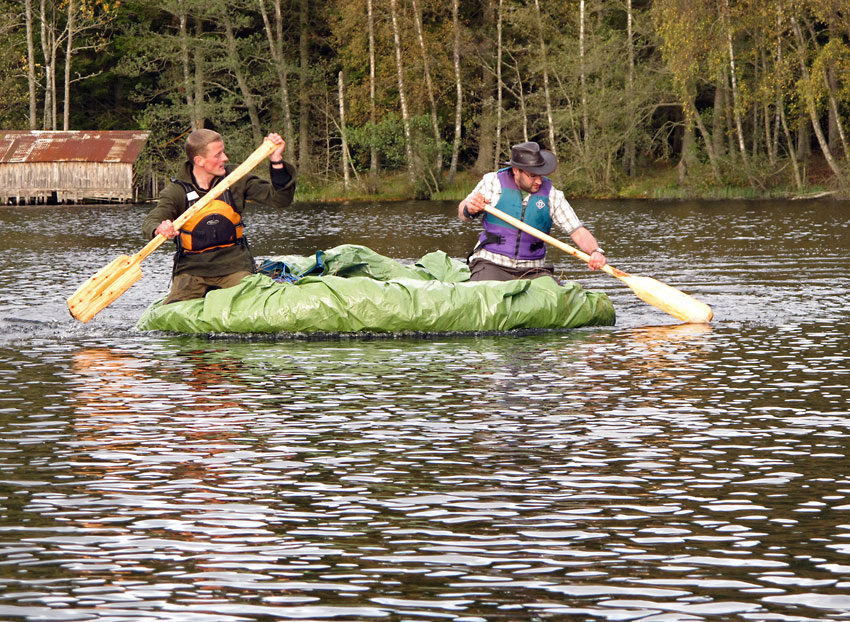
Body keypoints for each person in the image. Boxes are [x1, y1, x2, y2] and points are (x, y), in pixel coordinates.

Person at [142, 129, 297, 304]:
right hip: (192, 269)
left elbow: (280, 200)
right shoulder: (176, 191)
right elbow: (151, 221)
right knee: (173, 308)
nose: (225, 158)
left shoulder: (235, 178)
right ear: (199, 161)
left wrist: (276, 161)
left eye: (223, 151)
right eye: (218, 155)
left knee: (249, 302)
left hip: (234, 264)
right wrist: (159, 229)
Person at [458, 141, 607, 281]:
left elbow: (578, 231)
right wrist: (469, 208)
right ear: (516, 171)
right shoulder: (492, 182)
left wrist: (595, 251)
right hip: (491, 263)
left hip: (532, 270)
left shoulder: (552, 195)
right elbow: (463, 214)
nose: (539, 181)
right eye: (532, 176)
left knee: (553, 300)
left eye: (541, 175)